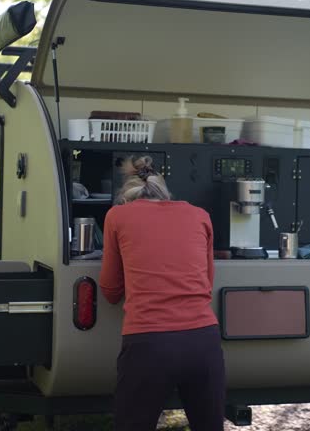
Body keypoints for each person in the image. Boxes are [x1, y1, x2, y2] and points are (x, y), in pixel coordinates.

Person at [99, 155, 225, 431]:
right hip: (203, 342)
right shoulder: (199, 215)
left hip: (148, 344)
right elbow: (206, 282)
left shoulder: (117, 216)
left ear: (128, 195)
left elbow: (109, 289)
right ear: (165, 192)